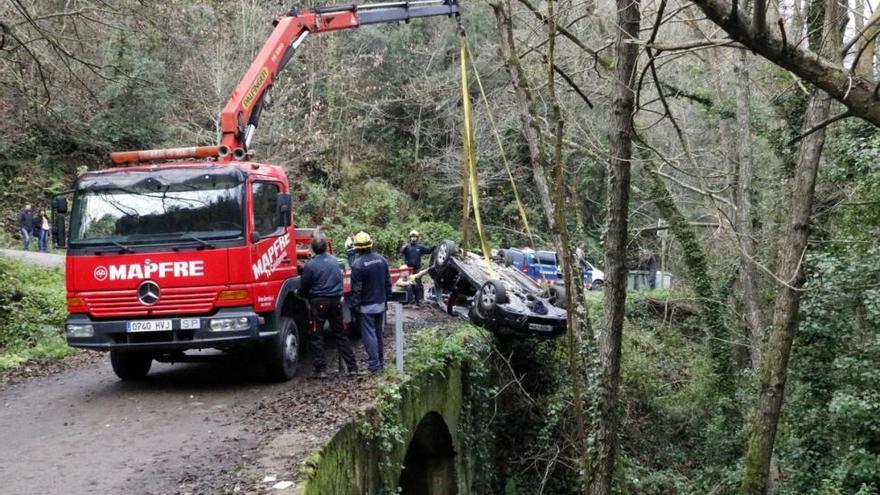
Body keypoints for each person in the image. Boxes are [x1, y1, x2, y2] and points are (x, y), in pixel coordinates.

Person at [299, 234, 358, 378]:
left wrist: (300, 294)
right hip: (336, 302)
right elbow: (339, 278)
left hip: (319, 302)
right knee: (341, 334)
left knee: (316, 335)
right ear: (326, 246)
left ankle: (321, 369)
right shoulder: (334, 261)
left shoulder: (310, 265)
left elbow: (305, 285)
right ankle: (352, 368)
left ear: (312, 248)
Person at [349, 231, 391, 373]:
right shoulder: (382, 260)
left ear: (356, 248)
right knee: (378, 333)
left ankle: (374, 365)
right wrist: (387, 299)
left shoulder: (357, 264)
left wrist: (354, 307)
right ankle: (380, 363)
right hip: (380, 303)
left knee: (369, 335)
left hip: (366, 307)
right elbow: (387, 282)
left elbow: (357, 289)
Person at [399, 230, 434, 305]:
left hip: (416, 269)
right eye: (412, 237)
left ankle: (420, 299)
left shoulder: (419, 247)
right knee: (406, 284)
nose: (413, 238)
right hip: (407, 269)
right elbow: (401, 252)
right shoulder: (407, 246)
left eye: (415, 237)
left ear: (417, 238)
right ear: (410, 238)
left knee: (418, 283)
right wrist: (403, 248)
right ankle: (407, 299)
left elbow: (428, 250)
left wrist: (435, 247)